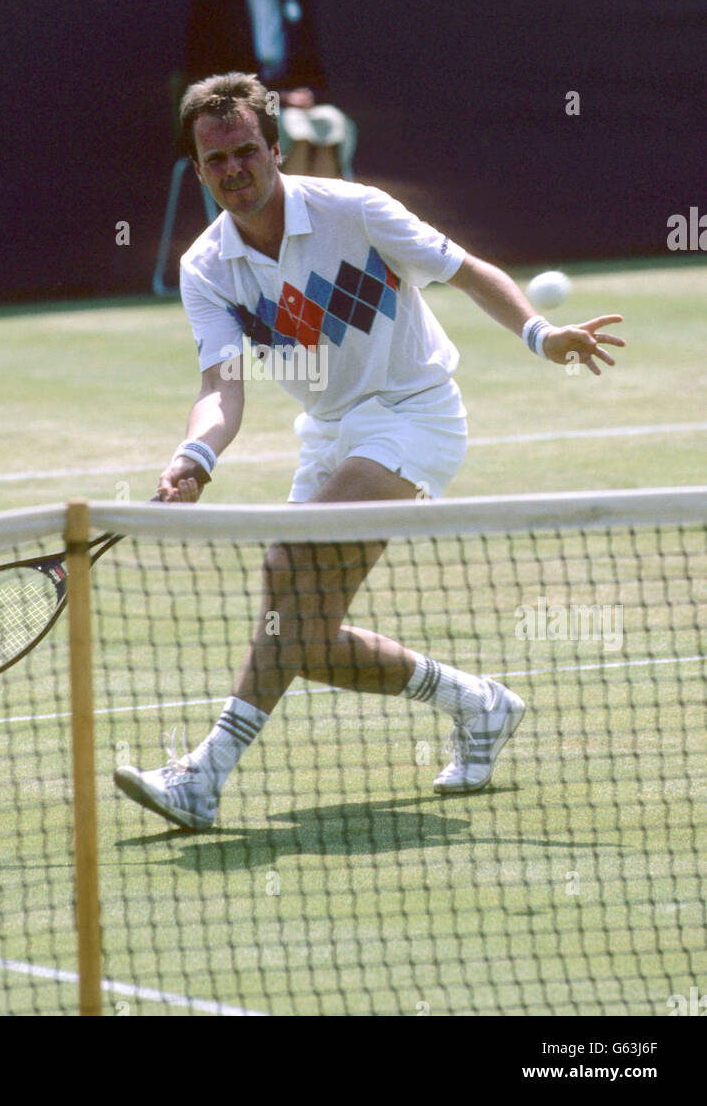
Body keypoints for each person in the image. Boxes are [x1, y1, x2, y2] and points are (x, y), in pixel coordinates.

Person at [114, 72, 625, 832]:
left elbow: (466, 270)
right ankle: (478, 704)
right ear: (199, 169)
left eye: (246, 151)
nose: (234, 170)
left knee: (289, 565)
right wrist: (196, 455)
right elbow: (223, 389)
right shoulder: (206, 267)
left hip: (415, 413)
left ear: (276, 149)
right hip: (329, 431)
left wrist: (540, 335)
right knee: (300, 637)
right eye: (215, 160)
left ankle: (205, 774)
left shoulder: (356, 210)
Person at [184, 0, 354, 179]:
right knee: (294, 131)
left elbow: (314, 70)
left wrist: (305, 94)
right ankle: (284, 225)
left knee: (332, 126)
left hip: (293, 109)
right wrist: (276, 97)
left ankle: (314, 224)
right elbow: (207, 73)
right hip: (235, 109)